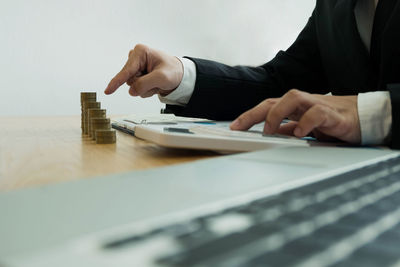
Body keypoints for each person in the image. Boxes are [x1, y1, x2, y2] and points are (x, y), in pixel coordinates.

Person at [105, 0, 400, 148]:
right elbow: (279, 86)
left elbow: (364, 110)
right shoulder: (332, 6)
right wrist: (183, 75)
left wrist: (376, 113)